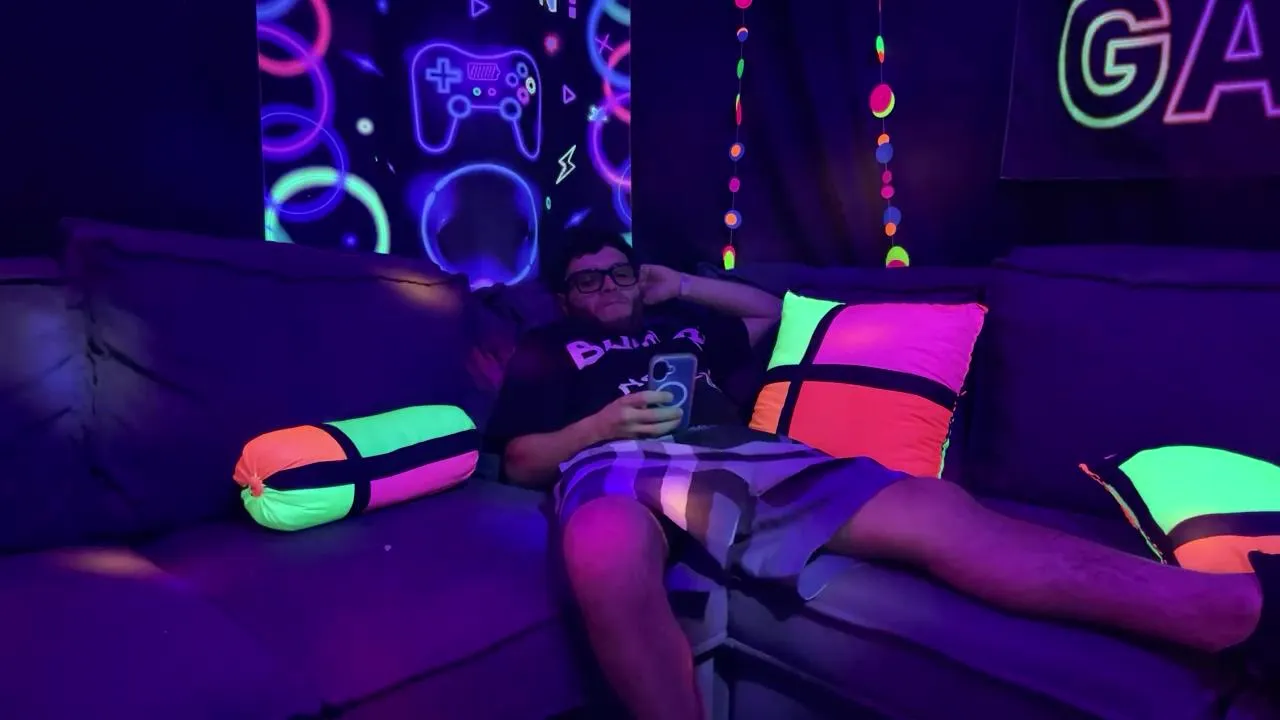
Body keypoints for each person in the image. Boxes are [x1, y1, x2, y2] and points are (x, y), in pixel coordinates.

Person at [485, 227, 1279, 720]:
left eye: (620, 273)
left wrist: (680, 283)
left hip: (736, 448)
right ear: (563, 295)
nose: (607, 288)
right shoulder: (545, 349)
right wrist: (599, 427)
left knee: (936, 510)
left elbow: (768, 312)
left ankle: (1236, 609)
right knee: (600, 548)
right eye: (587, 279)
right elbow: (520, 460)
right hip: (612, 457)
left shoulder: (685, 326)